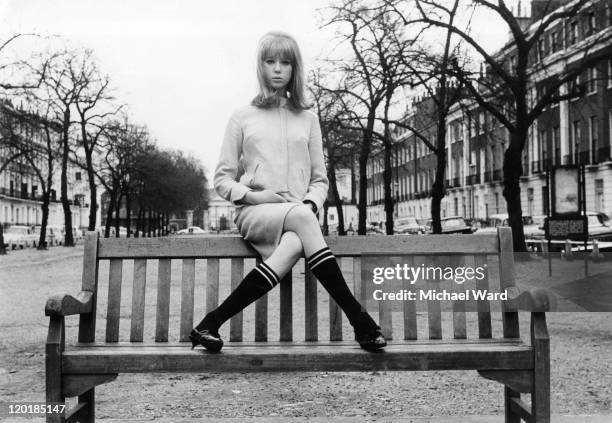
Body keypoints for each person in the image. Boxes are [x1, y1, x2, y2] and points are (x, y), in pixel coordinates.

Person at [190, 31, 386, 353]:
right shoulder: (242, 116)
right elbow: (222, 180)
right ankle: (360, 320)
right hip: (255, 212)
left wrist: (310, 202)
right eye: (270, 61)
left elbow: (320, 180)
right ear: (261, 67)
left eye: (285, 62)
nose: (278, 69)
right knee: (302, 220)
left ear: (295, 69)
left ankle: (210, 323)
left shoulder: (308, 119)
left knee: (297, 235)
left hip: (298, 216)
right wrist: (255, 196)